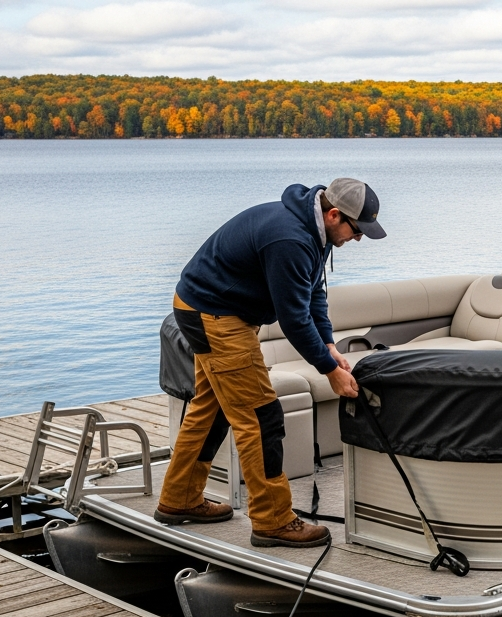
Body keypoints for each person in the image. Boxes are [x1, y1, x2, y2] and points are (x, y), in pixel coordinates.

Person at [155, 178, 386, 548]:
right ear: (333, 214)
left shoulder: (316, 231)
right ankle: (273, 520)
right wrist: (329, 371)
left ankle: (179, 498)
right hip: (214, 314)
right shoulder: (291, 239)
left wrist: (328, 345)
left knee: (212, 409)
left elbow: (313, 293)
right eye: (356, 230)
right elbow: (293, 319)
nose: (357, 239)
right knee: (261, 418)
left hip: (211, 308)